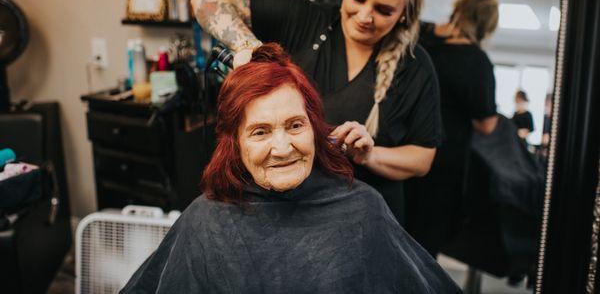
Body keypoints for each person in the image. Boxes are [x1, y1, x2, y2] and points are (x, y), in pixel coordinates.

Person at [120, 44, 461, 293]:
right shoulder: (205, 220)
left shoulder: (363, 209)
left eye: (295, 126)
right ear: (235, 143)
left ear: (315, 128)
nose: (282, 149)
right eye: (260, 131)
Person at [190, 0, 442, 224]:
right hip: (282, 209)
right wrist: (249, 48)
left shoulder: (415, 67)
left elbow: (422, 159)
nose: (365, 16)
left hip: (364, 217)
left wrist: (369, 157)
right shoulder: (305, 19)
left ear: (405, 12)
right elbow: (204, 1)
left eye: (384, 10)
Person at [405, 0, 499, 257]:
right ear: (486, 24)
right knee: (423, 246)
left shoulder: (420, 35)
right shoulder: (476, 62)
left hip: (402, 146)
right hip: (442, 161)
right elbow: (487, 124)